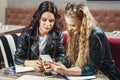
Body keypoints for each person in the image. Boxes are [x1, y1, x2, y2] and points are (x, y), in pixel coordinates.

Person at [44, 3, 120, 79]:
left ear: (84, 23)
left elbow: (93, 68)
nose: (69, 29)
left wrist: (66, 71)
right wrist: (55, 65)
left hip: (107, 75)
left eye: (73, 25)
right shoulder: (75, 33)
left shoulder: (97, 35)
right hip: (91, 75)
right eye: (68, 24)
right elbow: (69, 59)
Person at [14, 1, 65, 72]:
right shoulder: (27, 33)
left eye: (51, 21)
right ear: (39, 19)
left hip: (49, 73)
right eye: (44, 20)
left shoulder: (58, 34)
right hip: (30, 72)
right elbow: (17, 58)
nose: (48, 24)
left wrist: (53, 62)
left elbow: (62, 57)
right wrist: (31, 63)